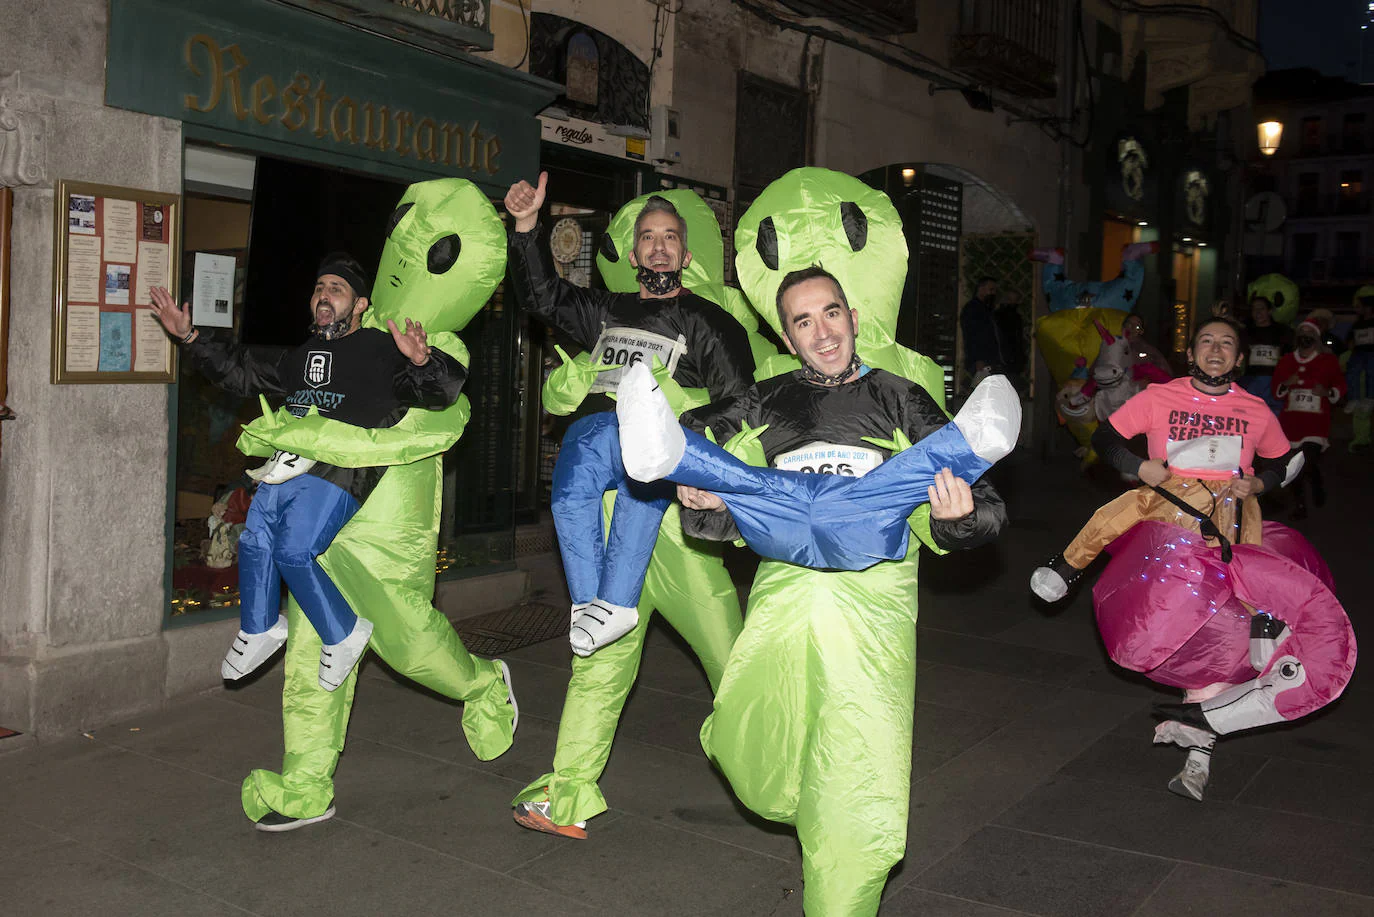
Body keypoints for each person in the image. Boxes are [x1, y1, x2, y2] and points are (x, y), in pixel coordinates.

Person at [671, 267, 1008, 916]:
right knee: (749, 747)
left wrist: (954, 512)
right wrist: (703, 494)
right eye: (803, 321)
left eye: (830, 314)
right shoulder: (763, 401)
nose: (822, 332)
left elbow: (984, 507)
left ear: (853, 316)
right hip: (783, 613)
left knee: (854, 797)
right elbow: (714, 488)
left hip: (870, 623)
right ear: (788, 336)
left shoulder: (901, 398)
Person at [503, 175, 756, 839]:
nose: (660, 246)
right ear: (635, 251)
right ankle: (567, 791)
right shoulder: (606, 311)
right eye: (649, 236)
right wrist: (528, 231)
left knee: (728, 649)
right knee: (601, 657)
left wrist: (679, 419)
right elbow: (542, 295)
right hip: (607, 513)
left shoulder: (710, 323)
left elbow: (741, 405)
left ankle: (781, 767)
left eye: (671, 236)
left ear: (685, 251)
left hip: (673, 519)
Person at [150, 254, 464, 691]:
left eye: (336, 289)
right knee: (256, 537)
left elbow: (441, 391)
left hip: (342, 467)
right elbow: (241, 368)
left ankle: (344, 633)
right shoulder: (300, 355)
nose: (324, 295)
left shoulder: (378, 347)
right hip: (290, 462)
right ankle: (259, 628)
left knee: (294, 550)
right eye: (319, 287)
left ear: (359, 304)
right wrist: (189, 336)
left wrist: (421, 361)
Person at [1031, 317, 1296, 602]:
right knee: (1152, 587)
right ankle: (1068, 565)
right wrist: (1139, 467)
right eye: (1207, 340)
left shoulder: (1256, 410)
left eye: (1226, 343)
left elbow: (1285, 462)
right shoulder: (1159, 397)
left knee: (1238, 601)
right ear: (1192, 354)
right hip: (1168, 512)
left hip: (1230, 518)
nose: (1216, 348)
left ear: (1240, 357)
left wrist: (1259, 484)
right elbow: (1103, 438)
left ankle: (1266, 635)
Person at [1273, 320, 1347, 518]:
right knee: (1294, 465)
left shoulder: (1328, 361)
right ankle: (1300, 504)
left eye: (1309, 333)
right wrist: (1288, 383)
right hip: (1291, 422)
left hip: (1316, 423)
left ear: (1316, 338)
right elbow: (1276, 390)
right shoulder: (1287, 360)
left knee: (1308, 460)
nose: (1305, 336)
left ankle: (1315, 480)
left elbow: (1340, 386)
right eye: (1302, 332)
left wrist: (1327, 391)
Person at [1237, 295, 1290, 416]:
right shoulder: (1246, 332)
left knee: (1273, 416)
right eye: (1254, 309)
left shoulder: (1282, 331)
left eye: (1261, 309)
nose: (1258, 313)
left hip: (1274, 382)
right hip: (1251, 380)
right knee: (1249, 414)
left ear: (1269, 311)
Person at [1344, 293, 1374, 452]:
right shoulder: (1357, 324)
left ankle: (1370, 397)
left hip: (1372, 354)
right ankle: (1354, 398)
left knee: (1371, 371)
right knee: (1352, 370)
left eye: (1360, 306)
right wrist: (1350, 345)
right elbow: (1350, 340)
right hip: (1358, 353)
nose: (1358, 309)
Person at [960, 275, 1001, 383]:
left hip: (987, 357)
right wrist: (978, 359)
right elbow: (972, 335)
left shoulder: (985, 309)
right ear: (981, 289)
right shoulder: (973, 309)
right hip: (981, 359)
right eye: (991, 289)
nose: (993, 293)